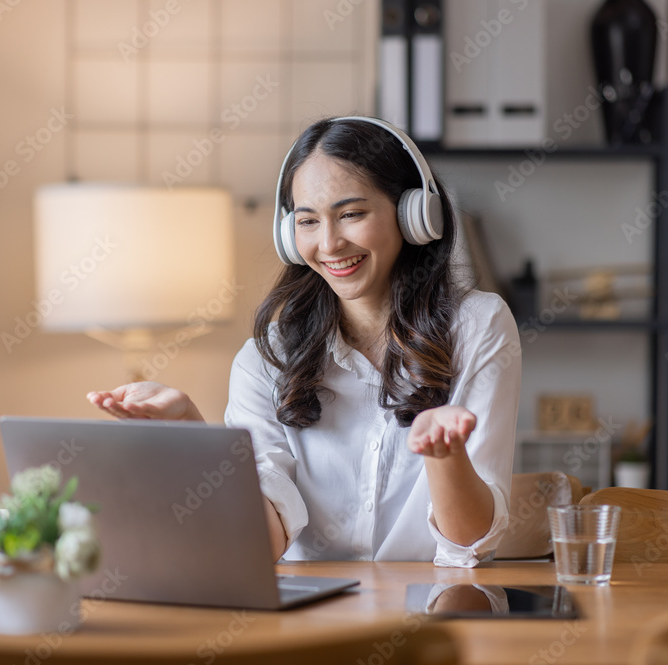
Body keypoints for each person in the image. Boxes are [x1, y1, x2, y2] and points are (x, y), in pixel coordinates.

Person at [87, 117, 520, 568]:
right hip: (311, 608)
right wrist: (190, 436)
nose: (329, 244)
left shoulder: (477, 326)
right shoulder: (266, 359)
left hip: (432, 604)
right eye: (308, 221)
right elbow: (259, 544)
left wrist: (445, 455)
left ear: (414, 214)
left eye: (351, 214)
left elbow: (472, 543)